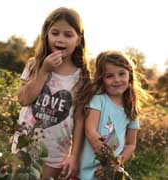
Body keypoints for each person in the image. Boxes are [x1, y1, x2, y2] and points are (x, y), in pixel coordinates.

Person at [16, 7, 90, 179]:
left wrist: (74, 155)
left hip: (55, 153)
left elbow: (79, 119)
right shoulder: (34, 64)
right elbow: (23, 99)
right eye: (55, 33)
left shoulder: (82, 77)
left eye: (68, 34)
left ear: (78, 39)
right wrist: (44, 71)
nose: (60, 39)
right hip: (24, 144)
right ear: (46, 34)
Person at [77, 50, 149, 180]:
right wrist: (107, 161)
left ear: (130, 75)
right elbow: (90, 131)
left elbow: (130, 145)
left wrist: (115, 164)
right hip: (86, 172)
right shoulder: (99, 99)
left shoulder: (131, 108)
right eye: (109, 76)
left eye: (122, 74)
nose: (117, 80)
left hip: (111, 172)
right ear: (102, 79)